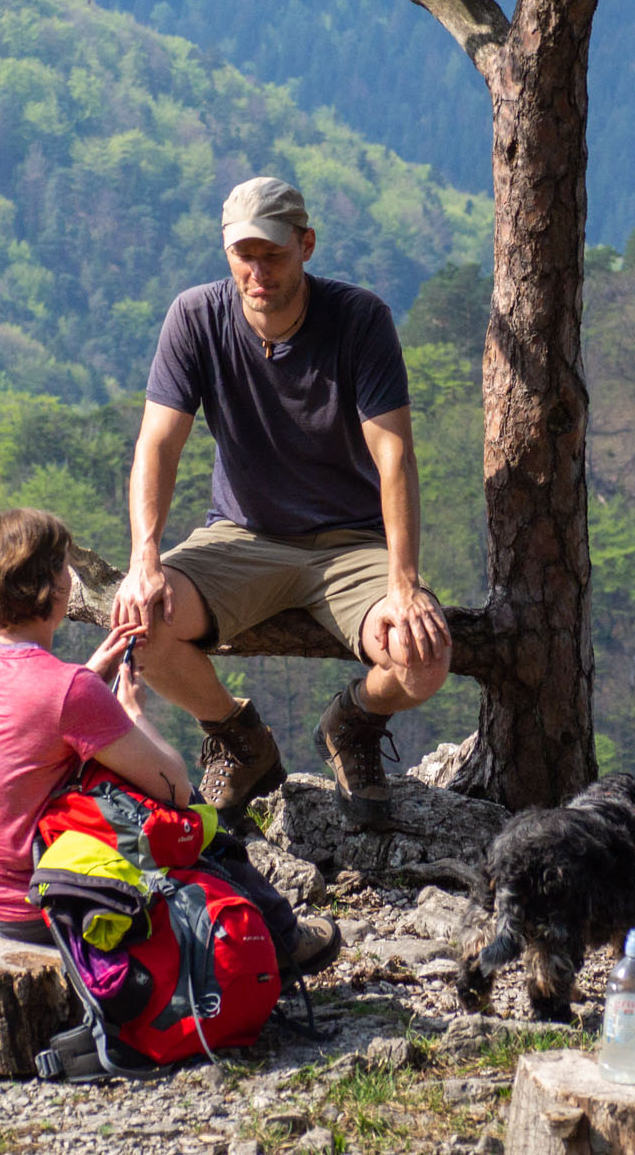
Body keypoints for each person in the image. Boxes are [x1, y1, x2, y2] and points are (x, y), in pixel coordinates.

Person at [113, 177, 451, 832]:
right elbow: (155, 445)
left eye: (272, 254)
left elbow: (395, 458)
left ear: (307, 246)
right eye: (244, 254)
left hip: (352, 542)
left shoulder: (359, 320)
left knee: (424, 659)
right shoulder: (197, 317)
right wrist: (144, 558)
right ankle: (240, 740)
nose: (257, 271)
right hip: (240, 535)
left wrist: (404, 581)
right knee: (139, 626)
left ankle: (353, 721)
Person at [0, 506, 340, 977]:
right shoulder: (67, 692)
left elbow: (24, 720)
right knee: (186, 814)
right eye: (64, 568)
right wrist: (130, 711)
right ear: (53, 589)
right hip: (29, 910)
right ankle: (283, 940)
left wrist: (88, 682)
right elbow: (175, 787)